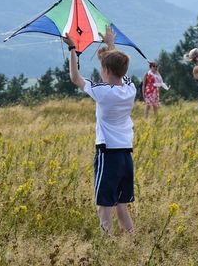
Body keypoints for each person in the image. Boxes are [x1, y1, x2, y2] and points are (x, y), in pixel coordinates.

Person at [62, 25, 135, 236]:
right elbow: (121, 70)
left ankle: (107, 244)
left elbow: (76, 78)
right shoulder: (129, 89)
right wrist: (110, 43)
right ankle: (131, 241)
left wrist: (72, 49)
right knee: (122, 203)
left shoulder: (102, 93)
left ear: (106, 71)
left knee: (104, 204)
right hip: (125, 154)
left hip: (107, 153)